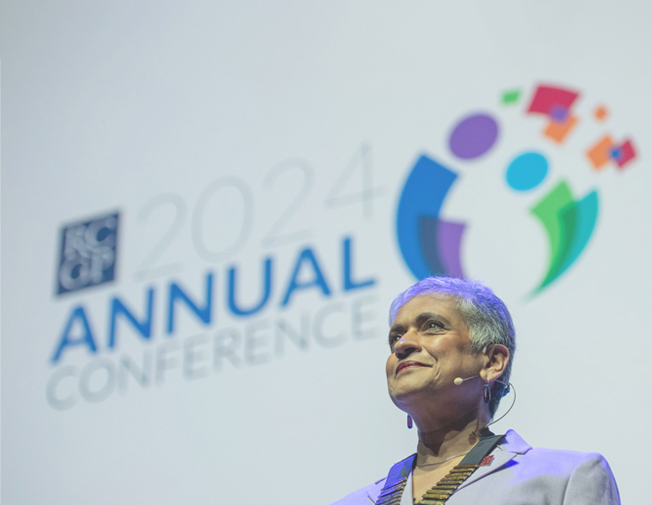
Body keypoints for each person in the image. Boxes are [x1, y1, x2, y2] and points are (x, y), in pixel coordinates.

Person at [331, 277, 620, 505]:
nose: (401, 345)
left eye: (432, 326)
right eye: (396, 336)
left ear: (492, 362)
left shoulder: (565, 479)